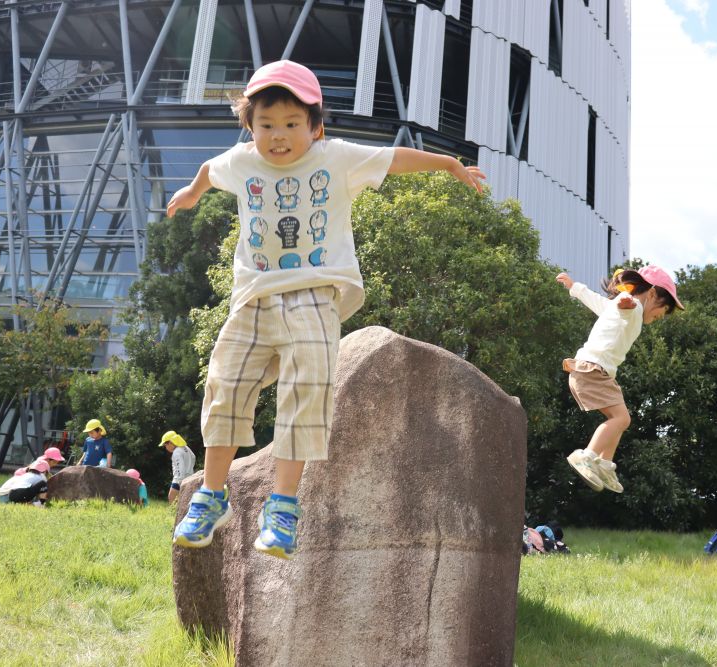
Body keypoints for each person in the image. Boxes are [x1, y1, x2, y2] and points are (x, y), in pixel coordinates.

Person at [165, 59, 484, 559]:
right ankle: (211, 494)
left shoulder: (334, 157)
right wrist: (191, 191)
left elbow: (394, 158)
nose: (279, 136)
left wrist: (447, 164)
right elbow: (209, 169)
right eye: (266, 124)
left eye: (292, 124)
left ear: (315, 126)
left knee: (306, 388)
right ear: (250, 126)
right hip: (252, 296)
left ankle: (284, 507)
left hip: (315, 294)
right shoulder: (242, 161)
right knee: (224, 385)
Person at [558, 267, 684, 493]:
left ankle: (605, 464)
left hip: (595, 372)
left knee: (622, 418)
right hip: (592, 370)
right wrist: (627, 299)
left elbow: (596, 301)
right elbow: (626, 303)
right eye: (662, 310)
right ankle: (586, 456)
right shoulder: (633, 307)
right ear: (652, 294)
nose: (659, 317)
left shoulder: (618, 308)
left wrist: (575, 288)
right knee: (621, 419)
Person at [159, 430, 195, 503]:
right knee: (185, 502)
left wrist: (179, 482)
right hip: (190, 477)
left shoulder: (176, 452)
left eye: (166, 445)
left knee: (171, 499)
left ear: (171, 442)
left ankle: (173, 514)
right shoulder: (186, 448)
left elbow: (180, 468)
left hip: (179, 480)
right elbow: (193, 457)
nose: (166, 448)